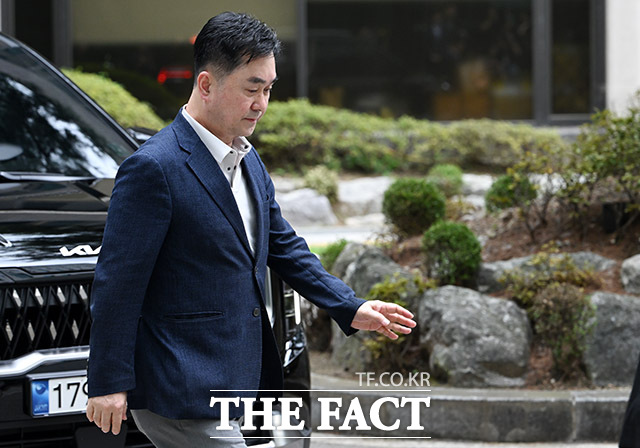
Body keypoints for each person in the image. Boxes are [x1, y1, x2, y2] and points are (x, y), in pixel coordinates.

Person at [85, 11, 416, 446]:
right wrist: (108, 382)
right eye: (251, 89)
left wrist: (349, 306)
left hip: (235, 382)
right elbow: (118, 283)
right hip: (179, 386)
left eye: (269, 89)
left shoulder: (248, 159)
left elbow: (284, 246)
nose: (262, 104)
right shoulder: (153, 168)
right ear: (206, 84)